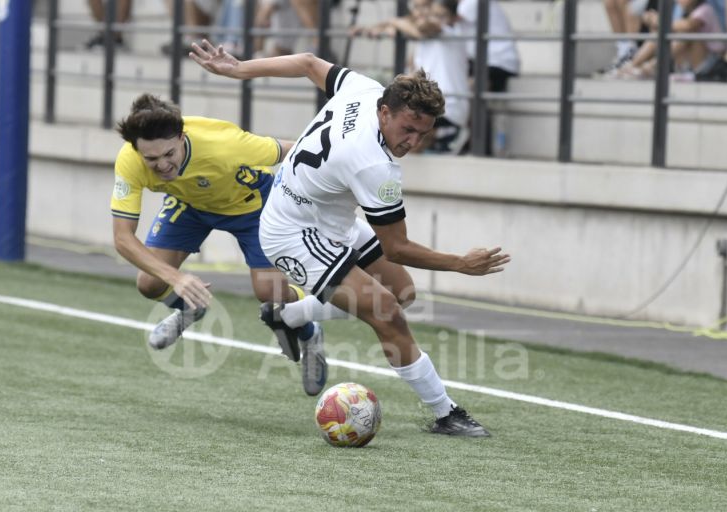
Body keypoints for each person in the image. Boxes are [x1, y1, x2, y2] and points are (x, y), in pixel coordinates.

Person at [190, 42, 510, 436]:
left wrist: (240, 70)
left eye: (423, 133)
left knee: (403, 293)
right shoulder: (374, 164)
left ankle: (289, 315)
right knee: (387, 311)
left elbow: (308, 63)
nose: (412, 142)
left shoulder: (364, 89)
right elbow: (397, 247)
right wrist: (461, 264)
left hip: (325, 217)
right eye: (407, 129)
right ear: (384, 112)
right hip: (293, 233)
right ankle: (446, 413)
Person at [111, 93, 327, 395]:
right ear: (137, 150)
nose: (161, 165)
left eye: (169, 154)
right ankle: (190, 307)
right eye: (151, 159)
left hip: (252, 206)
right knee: (149, 283)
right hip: (190, 206)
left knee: (269, 294)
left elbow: (293, 151)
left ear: (182, 137)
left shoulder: (224, 143)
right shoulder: (129, 160)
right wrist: (178, 279)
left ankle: (310, 332)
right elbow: (122, 238)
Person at [355, 0, 469, 153]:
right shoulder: (423, 41)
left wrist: (393, 22)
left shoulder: (447, 30)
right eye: (416, 7)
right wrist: (385, 27)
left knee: (402, 142)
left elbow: (422, 29)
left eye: (426, 7)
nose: (421, 12)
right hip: (430, 106)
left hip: (447, 111)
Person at [456, 0, 521, 156]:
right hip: (487, 60)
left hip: (495, 61)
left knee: (472, 93)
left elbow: (444, 21)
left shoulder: (470, 3)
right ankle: (474, 143)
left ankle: (477, 145)